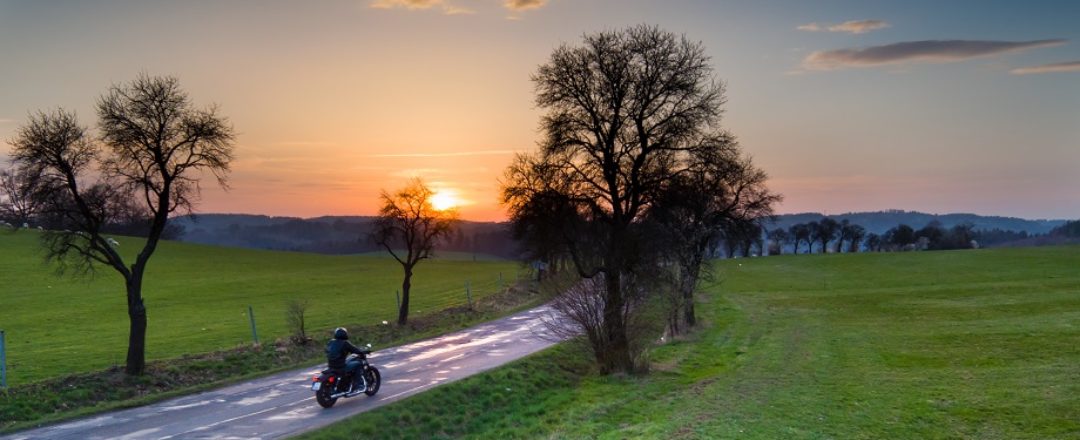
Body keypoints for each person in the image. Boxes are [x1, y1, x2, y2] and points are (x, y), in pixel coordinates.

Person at [325, 327, 366, 392]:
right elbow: (355, 350)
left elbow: (326, 351)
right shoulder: (345, 343)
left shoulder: (331, 342)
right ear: (345, 334)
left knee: (349, 363)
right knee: (358, 364)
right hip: (341, 367)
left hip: (331, 366)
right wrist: (362, 352)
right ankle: (359, 385)